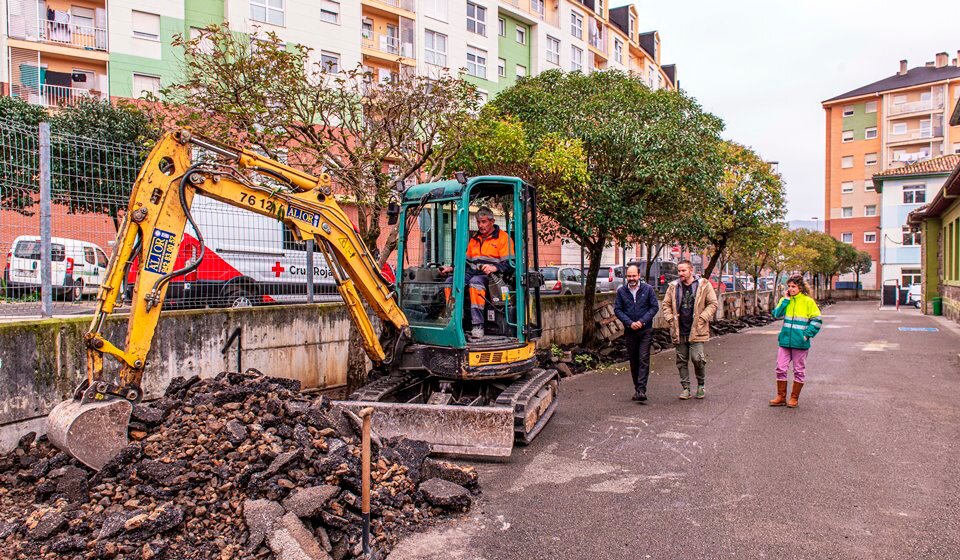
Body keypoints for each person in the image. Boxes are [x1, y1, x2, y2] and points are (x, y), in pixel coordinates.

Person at [439, 207, 513, 340]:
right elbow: (465, 261)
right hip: (472, 272)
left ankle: (478, 325)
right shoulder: (474, 239)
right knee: (450, 281)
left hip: (492, 277)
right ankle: (453, 319)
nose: (480, 225)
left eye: (484, 222)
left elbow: (510, 264)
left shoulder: (503, 238)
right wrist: (451, 268)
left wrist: (494, 268)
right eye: (479, 222)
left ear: (492, 221)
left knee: (476, 283)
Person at [661, 260, 718, 400]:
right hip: (679, 329)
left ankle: (701, 385)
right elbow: (666, 304)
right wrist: (670, 318)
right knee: (681, 360)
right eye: (679, 271)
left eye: (683, 271)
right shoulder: (673, 287)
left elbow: (713, 303)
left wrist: (702, 318)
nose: (680, 273)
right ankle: (686, 388)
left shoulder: (703, 285)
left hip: (697, 328)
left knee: (697, 358)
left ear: (691, 271)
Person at [769, 275, 822, 408]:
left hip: (800, 342)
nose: (791, 289)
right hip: (785, 341)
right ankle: (781, 397)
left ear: (800, 287)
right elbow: (776, 314)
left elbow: (817, 320)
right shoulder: (785, 300)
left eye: (794, 286)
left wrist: (806, 335)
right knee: (780, 368)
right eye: (789, 287)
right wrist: (786, 300)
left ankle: (794, 398)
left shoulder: (808, 302)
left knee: (798, 370)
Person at [613, 264, 660, 402]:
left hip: (645, 330)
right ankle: (637, 388)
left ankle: (641, 390)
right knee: (634, 360)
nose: (631, 278)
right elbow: (618, 310)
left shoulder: (648, 289)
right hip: (630, 331)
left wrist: (642, 321)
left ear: (639, 276)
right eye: (629, 276)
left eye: (634, 276)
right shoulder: (621, 291)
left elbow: (654, 307)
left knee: (643, 359)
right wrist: (629, 323)